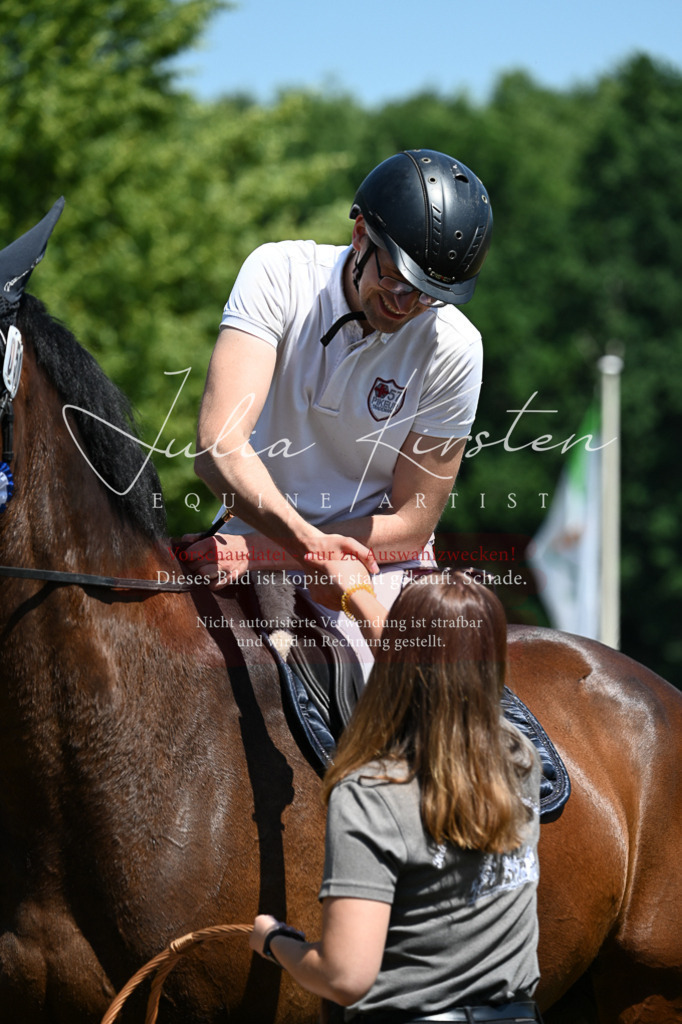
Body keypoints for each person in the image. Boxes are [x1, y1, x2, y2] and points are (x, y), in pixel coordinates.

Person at [185, 149, 493, 626]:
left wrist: (268, 551)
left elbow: (411, 524)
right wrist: (300, 547)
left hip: (373, 562)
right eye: (394, 279)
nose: (404, 304)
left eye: (427, 295)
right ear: (359, 235)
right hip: (245, 544)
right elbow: (216, 445)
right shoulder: (278, 273)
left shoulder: (456, 347)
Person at [249, 568, 543, 1023]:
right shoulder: (520, 760)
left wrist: (274, 940)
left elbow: (345, 978)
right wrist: (361, 595)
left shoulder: (371, 793)